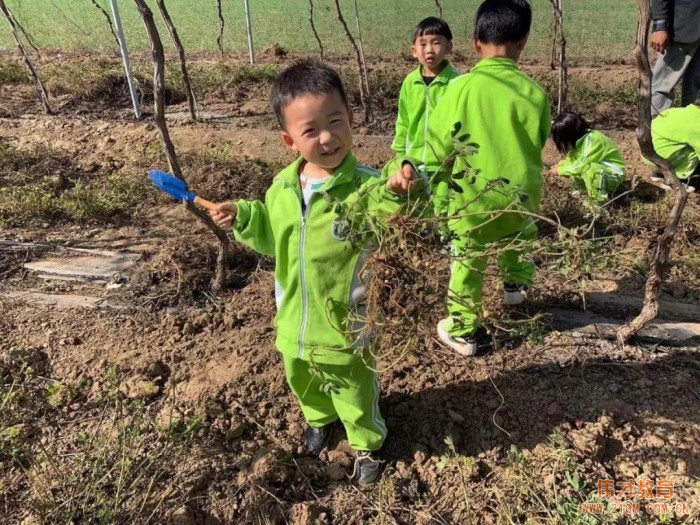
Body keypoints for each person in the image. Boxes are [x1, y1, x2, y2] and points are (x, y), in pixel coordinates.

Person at [210, 61, 420, 485]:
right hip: (293, 319)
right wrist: (244, 216)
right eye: (310, 131)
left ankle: (367, 443)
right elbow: (273, 235)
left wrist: (403, 187)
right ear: (289, 140)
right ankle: (320, 418)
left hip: (347, 324)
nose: (327, 138)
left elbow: (396, 207)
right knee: (301, 378)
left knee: (355, 389)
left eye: (335, 122)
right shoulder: (281, 188)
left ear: (351, 120)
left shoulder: (365, 188)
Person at [425, 0, 550, 356]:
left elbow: (437, 147)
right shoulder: (534, 92)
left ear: (476, 41)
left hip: (473, 200)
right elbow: (538, 141)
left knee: (467, 259)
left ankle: (465, 330)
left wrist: (440, 197)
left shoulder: (459, 89)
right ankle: (516, 287)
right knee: (518, 238)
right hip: (521, 198)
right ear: (524, 40)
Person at [392, 16, 460, 175]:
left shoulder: (456, 82)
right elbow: (403, 121)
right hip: (412, 164)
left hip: (444, 167)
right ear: (414, 51)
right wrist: (400, 157)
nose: (429, 49)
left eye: (436, 43)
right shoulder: (410, 82)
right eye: (423, 44)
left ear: (448, 47)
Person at [551, 111, 626, 204]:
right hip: (601, 173)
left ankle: (598, 203)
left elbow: (583, 165)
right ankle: (584, 192)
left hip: (613, 175)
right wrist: (561, 165)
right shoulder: (579, 143)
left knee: (590, 170)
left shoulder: (593, 139)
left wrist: (561, 170)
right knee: (573, 169)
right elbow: (572, 161)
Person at [650, 0, 700, 117]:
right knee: (663, 87)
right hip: (682, 27)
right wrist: (660, 26)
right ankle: (655, 129)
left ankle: (690, 130)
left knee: (696, 89)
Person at [650, 99, 700, 192]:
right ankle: (681, 180)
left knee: (681, 143)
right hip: (669, 157)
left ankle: (660, 173)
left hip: (651, 154)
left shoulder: (677, 111)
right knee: (695, 150)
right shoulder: (697, 122)